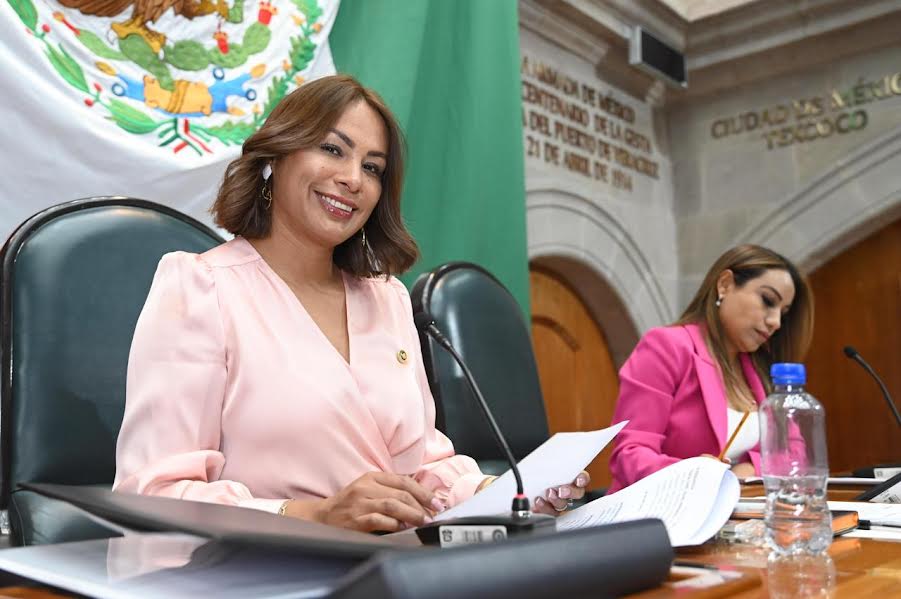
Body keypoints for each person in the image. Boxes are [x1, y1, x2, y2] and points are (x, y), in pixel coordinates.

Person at [114, 74, 588, 532]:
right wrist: (315, 516)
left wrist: (511, 492)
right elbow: (153, 493)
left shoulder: (387, 298)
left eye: (372, 168)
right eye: (332, 149)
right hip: (261, 569)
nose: (352, 179)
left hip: (401, 564)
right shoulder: (201, 287)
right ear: (276, 156)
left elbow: (422, 469)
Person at [607, 245, 813, 493]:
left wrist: (751, 469)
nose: (776, 322)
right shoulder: (666, 346)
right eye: (768, 301)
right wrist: (694, 474)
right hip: (661, 510)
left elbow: (796, 456)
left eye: (783, 313)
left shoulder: (762, 368)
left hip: (743, 511)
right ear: (725, 285)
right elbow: (630, 453)